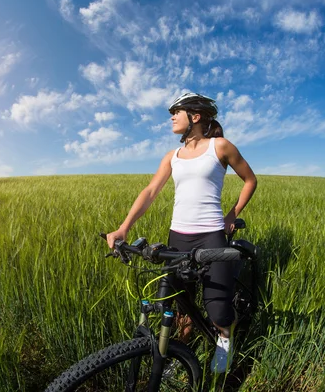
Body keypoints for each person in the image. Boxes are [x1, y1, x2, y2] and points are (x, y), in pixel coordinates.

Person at [106, 92, 257, 373]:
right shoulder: (172, 156)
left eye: (177, 111)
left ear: (195, 117)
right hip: (178, 238)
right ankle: (181, 353)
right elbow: (150, 191)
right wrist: (124, 227)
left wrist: (232, 214)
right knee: (181, 306)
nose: (172, 117)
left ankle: (225, 338)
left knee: (217, 308)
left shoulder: (220, 147)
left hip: (211, 235)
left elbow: (250, 180)